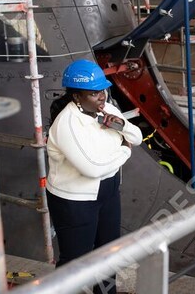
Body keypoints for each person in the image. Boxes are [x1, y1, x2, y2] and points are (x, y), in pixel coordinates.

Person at [46, 59, 142, 294]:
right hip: (74, 200)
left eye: (103, 90)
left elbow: (137, 137)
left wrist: (121, 126)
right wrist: (124, 150)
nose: (102, 97)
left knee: (108, 252)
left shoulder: (107, 109)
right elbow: (93, 169)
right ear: (76, 97)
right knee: (75, 260)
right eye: (93, 93)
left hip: (107, 190)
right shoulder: (67, 124)